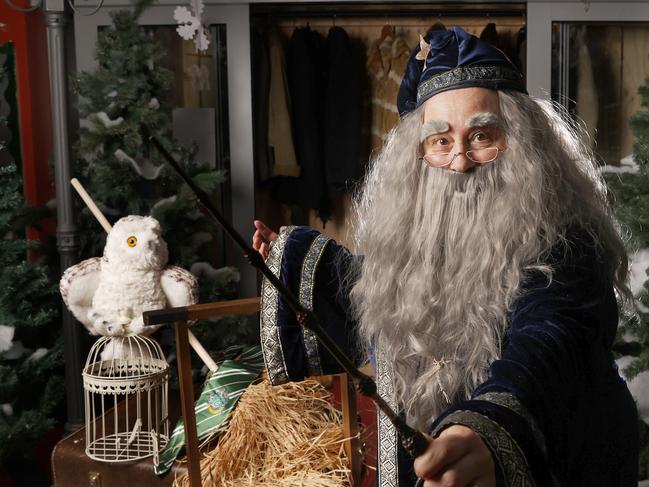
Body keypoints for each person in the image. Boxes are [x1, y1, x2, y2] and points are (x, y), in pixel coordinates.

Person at [252, 27, 639, 487]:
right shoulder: (420, 234)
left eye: (481, 136)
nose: (459, 161)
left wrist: (483, 432)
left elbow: (548, 339)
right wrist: (299, 263)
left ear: (524, 146)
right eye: (440, 141)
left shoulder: (568, 242)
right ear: (418, 155)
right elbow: (388, 296)